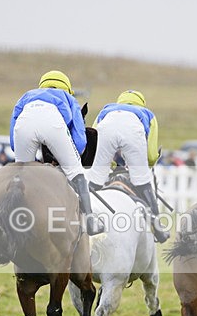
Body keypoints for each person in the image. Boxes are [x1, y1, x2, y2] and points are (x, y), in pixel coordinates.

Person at [10, 70, 104, 235]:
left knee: (21, 176)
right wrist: (72, 157)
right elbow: (80, 141)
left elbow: (13, 140)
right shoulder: (68, 98)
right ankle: (91, 222)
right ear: (67, 88)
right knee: (77, 172)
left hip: (23, 126)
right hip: (52, 124)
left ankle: (13, 219)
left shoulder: (26, 96)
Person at [86, 90, 169, 242]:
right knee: (142, 181)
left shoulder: (105, 110)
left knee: (95, 180)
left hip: (106, 129)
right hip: (133, 133)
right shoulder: (147, 113)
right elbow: (150, 155)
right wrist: (146, 164)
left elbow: (95, 140)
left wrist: (108, 167)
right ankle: (158, 229)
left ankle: (85, 216)